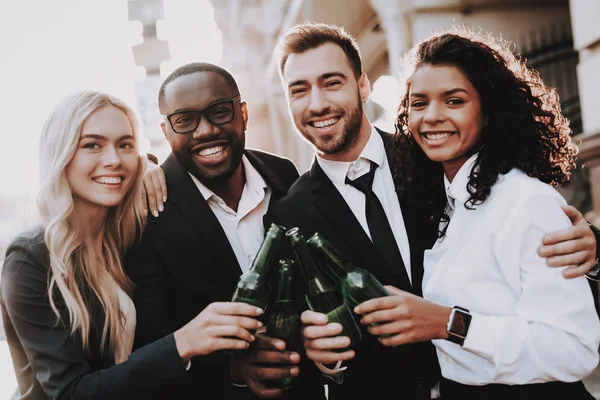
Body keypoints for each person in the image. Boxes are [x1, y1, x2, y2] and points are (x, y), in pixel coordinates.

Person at [261, 22, 600, 400]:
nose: (317, 102)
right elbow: (292, 341)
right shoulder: (287, 216)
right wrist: (321, 357)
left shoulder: (436, 157)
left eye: (332, 82)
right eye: (299, 90)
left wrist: (592, 243)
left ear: (363, 86)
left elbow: (530, 232)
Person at [0, 90, 264, 400]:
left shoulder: (129, 240)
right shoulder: (31, 257)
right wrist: (182, 343)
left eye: (124, 144)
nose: (112, 160)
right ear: (61, 153)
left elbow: (144, 362)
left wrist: (233, 370)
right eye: (92, 145)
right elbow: (71, 392)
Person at [124, 63, 326, 399]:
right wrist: (233, 371)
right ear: (166, 131)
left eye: (219, 112)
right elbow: (152, 342)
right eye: (185, 120)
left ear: (243, 114)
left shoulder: (283, 174)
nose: (204, 131)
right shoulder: (147, 211)